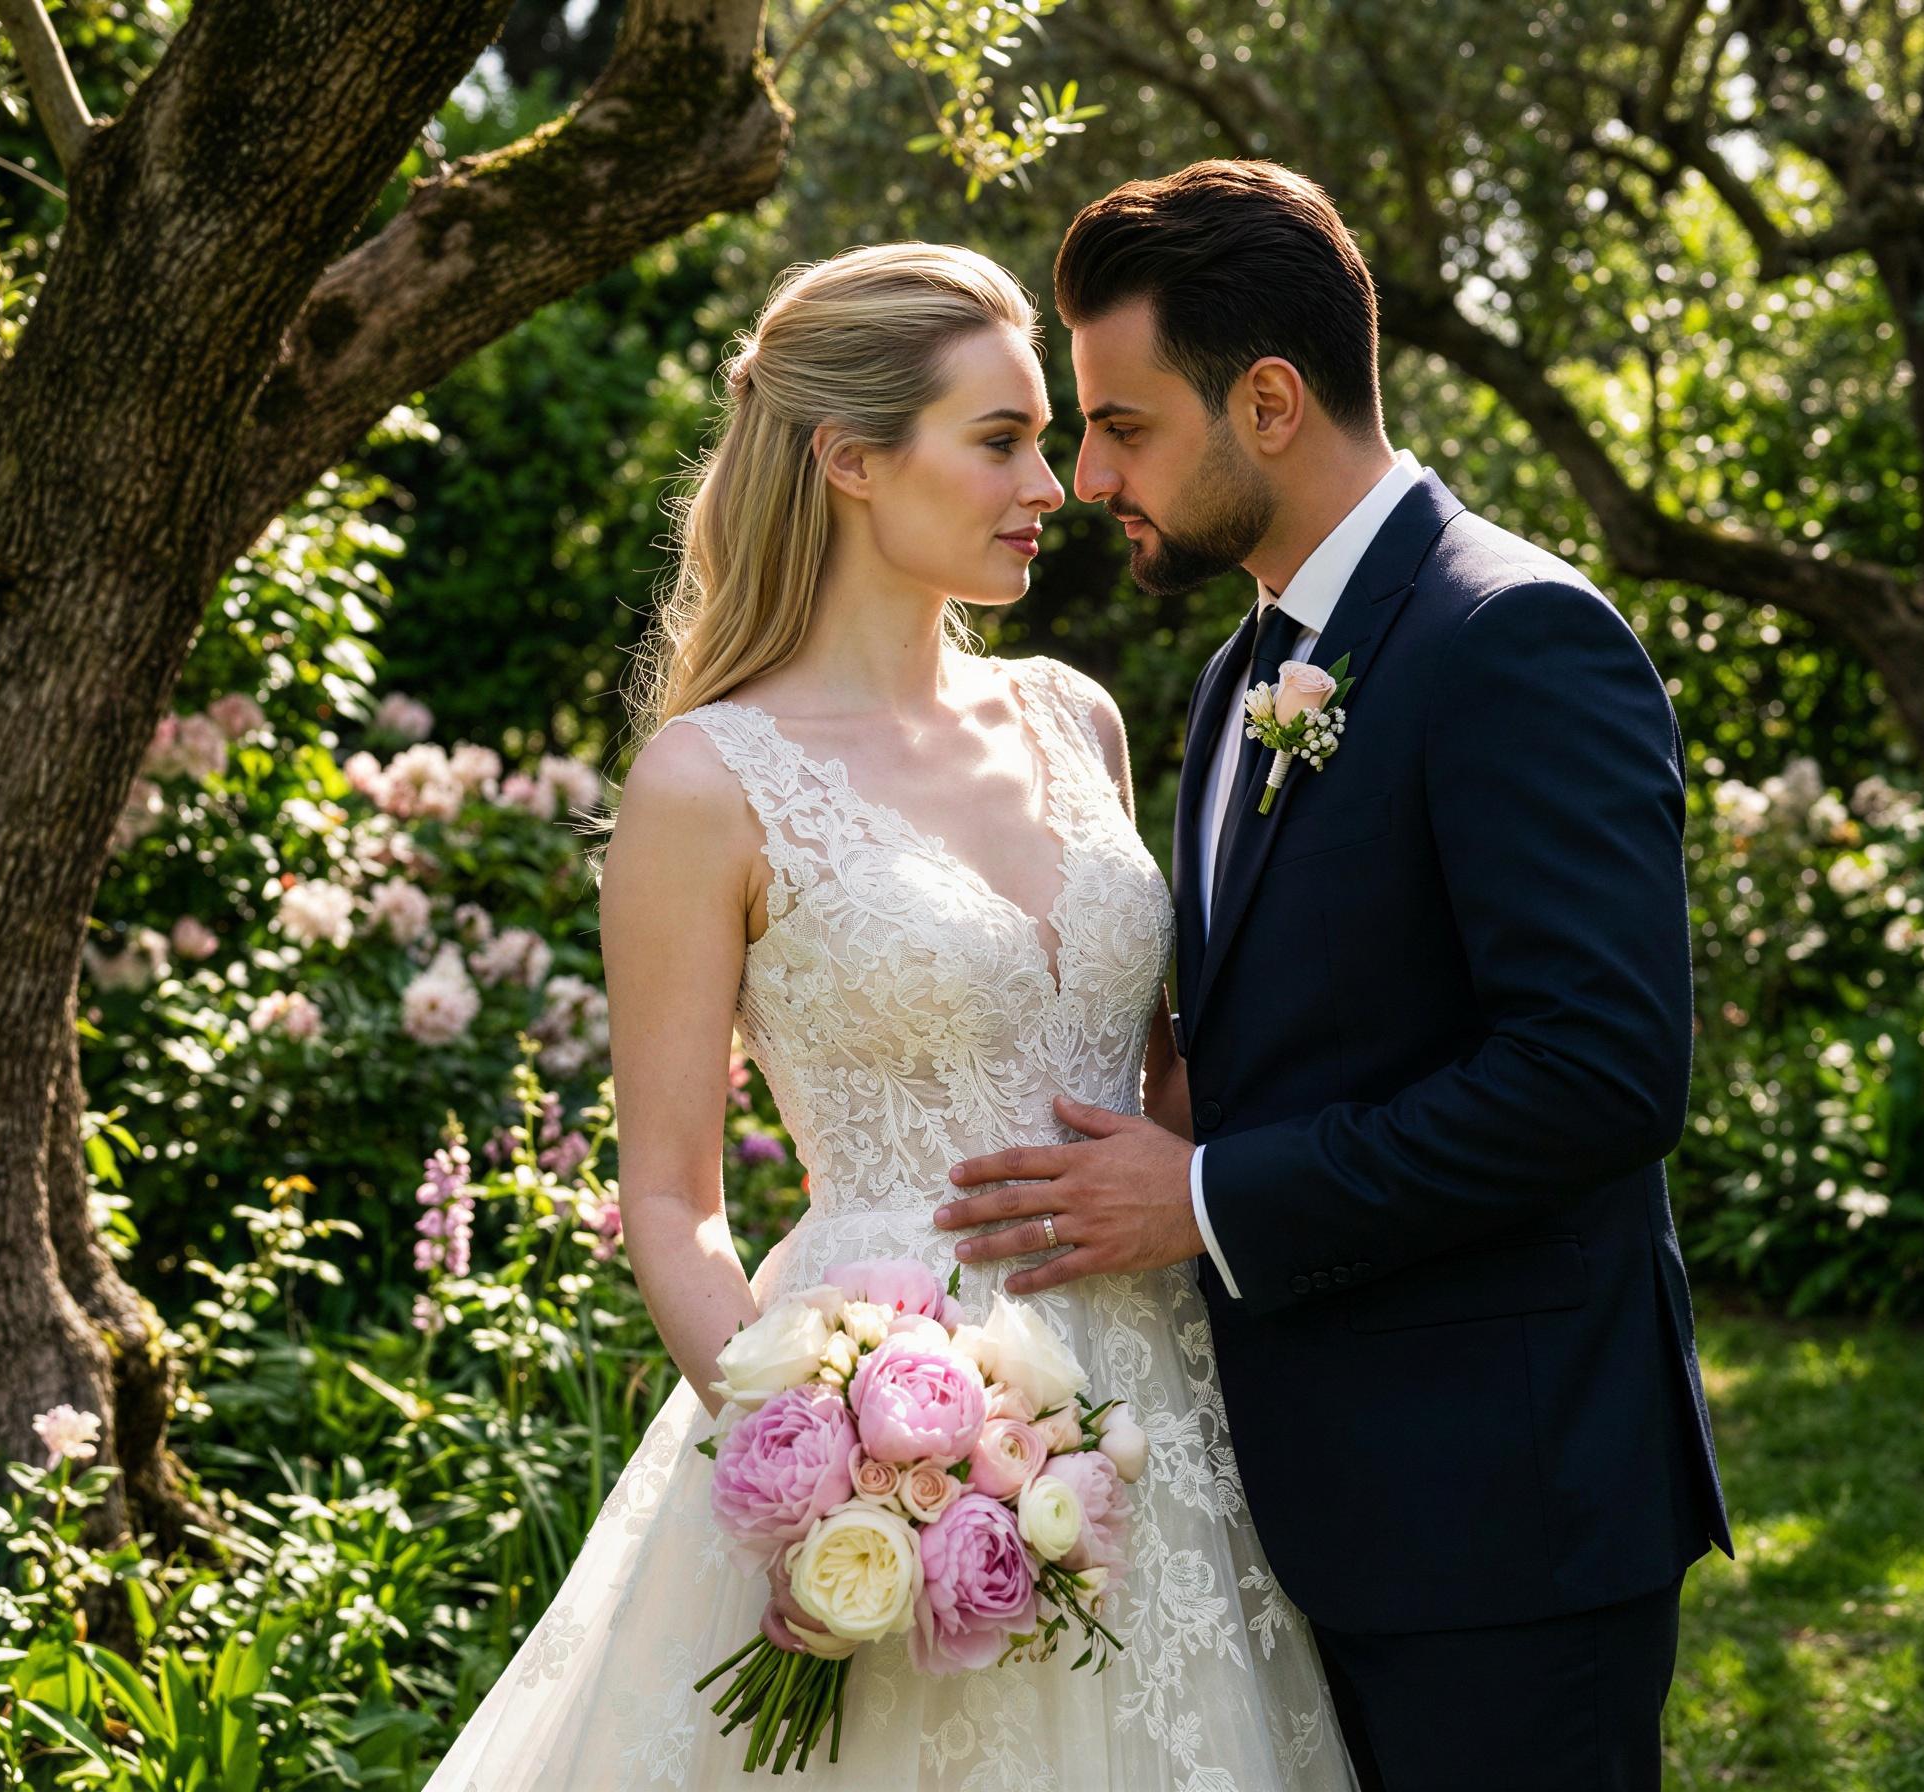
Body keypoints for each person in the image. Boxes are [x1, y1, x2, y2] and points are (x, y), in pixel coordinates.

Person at [420, 240, 1359, 1789]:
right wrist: (825, 1467)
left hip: (1165, 1411)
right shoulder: (704, 785)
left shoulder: (1076, 717)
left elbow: (1158, 1074)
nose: (1050, 484)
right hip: (891, 1410)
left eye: (1046, 440)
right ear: (848, 458)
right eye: (1000, 441)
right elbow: (671, 1202)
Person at [934, 160, 1734, 1791]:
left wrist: (1206, 1196)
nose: (1090, 477)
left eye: (1125, 425)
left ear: (1271, 402)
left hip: (1508, 1520)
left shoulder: (1516, 637)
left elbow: (1599, 1074)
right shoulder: (1242, 671)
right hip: (1306, 1513)